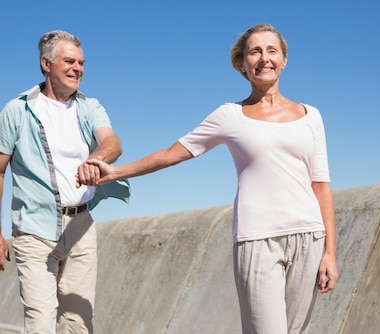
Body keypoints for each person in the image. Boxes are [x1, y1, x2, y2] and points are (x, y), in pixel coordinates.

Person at [78, 23, 338, 333]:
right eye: (255, 51)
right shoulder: (230, 115)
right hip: (257, 239)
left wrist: (330, 253)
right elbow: (171, 153)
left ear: (284, 59)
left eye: (272, 51)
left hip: (310, 237)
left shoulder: (311, 116)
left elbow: (321, 185)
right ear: (242, 64)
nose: (264, 58)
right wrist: (115, 172)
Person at [0, 30, 130, 333]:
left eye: (81, 63)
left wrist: (93, 160)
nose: (78, 68)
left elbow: (112, 143)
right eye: (69, 61)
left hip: (82, 228)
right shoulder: (18, 110)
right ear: (46, 64)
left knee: (78, 324)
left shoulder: (89, 107)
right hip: (34, 231)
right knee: (41, 323)